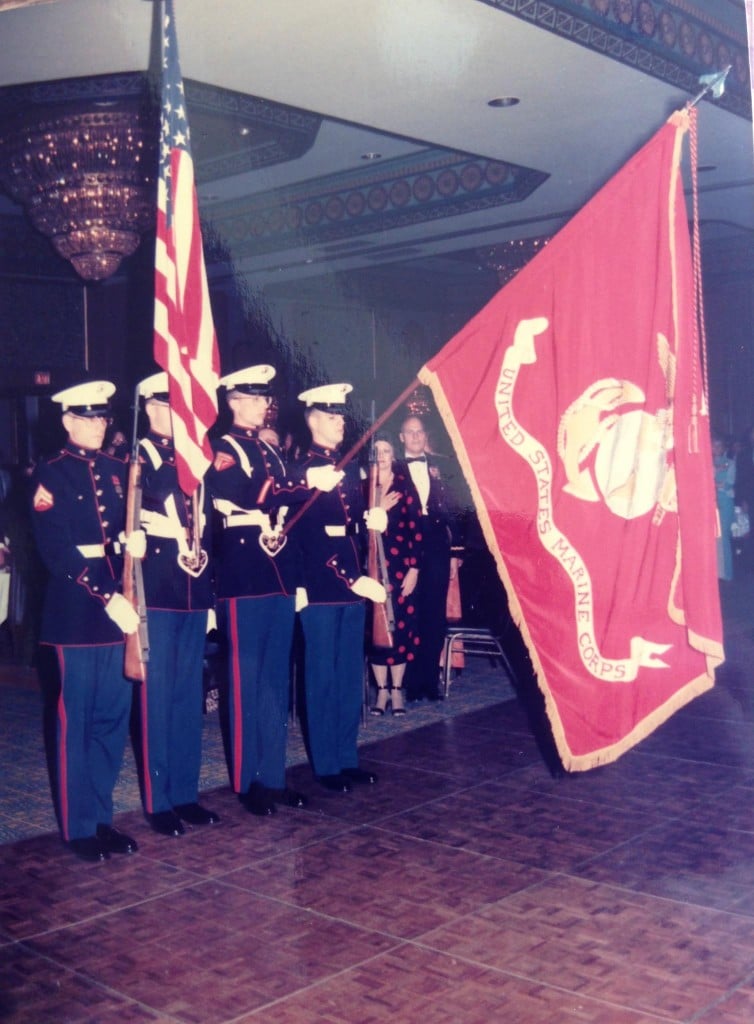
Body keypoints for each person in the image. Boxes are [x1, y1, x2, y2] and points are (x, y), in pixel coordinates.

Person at [206, 365, 343, 816]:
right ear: (233, 402)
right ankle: (248, 782)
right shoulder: (224, 448)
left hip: (279, 574)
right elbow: (245, 493)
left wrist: (308, 484)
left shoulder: (272, 453)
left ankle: (273, 775)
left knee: (273, 684)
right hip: (244, 577)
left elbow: (288, 500)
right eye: (254, 397)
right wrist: (304, 482)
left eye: (266, 397)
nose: (265, 404)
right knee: (246, 682)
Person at [30, 380, 144, 862]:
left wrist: (136, 544)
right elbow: (56, 554)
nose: (97, 426)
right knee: (74, 724)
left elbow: (123, 536)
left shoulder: (121, 471)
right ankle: (79, 830)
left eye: (102, 419)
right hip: (75, 619)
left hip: (117, 620)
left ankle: (101, 818)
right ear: (67, 421)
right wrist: (105, 594)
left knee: (110, 723)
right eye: (88, 418)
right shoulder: (50, 475)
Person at [134, 371, 219, 837]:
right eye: (169, 407)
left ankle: (186, 793)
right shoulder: (138, 459)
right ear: (150, 408)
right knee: (157, 697)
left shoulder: (193, 458)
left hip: (192, 588)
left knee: (189, 697)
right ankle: (158, 799)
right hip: (159, 590)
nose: (178, 417)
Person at [291, 383, 387, 792]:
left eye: (342, 416)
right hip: (322, 588)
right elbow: (312, 539)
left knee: (349, 676)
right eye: (332, 416)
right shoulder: (305, 471)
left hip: (353, 589)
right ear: (312, 420)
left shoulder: (347, 468)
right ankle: (326, 764)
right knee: (323, 678)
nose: (340, 423)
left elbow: (348, 528)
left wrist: (372, 518)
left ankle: (347, 756)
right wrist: (353, 578)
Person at [399, 413, 464, 702]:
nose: (415, 437)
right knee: (408, 611)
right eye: (410, 432)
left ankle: (429, 680)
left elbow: (455, 509)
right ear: (401, 437)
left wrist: (455, 552)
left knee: (434, 613)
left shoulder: (441, 466)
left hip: (436, 543)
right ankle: (410, 682)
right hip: (405, 544)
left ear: (426, 436)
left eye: (420, 432)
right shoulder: (394, 467)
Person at [368, 433, 421, 716]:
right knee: (376, 629)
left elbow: (417, 530)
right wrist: (378, 509)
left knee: (399, 627)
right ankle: (381, 691)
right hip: (372, 569)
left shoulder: (404, 487)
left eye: (387, 450)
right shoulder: (365, 488)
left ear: (394, 455)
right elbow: (357, 526)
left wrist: (414, 568)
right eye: (377, 451)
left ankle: (397, 689)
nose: (382, 456)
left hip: (400, 569)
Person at [713, 433, 735, 582]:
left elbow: (729, 483)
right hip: (712, 502)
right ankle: (717, 572)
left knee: (724, 537)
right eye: (714, 445)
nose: (716, 448)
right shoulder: (709, 462)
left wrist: (713, 484)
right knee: (715, 538)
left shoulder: (730, 462)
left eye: (719, 445)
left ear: (724, 447)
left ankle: (727, 574)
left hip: (725, 502)